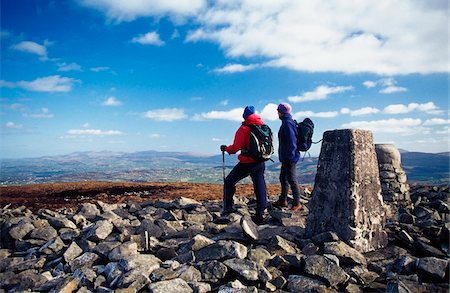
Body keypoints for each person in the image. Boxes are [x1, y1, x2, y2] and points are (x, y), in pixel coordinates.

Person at [220, 106, 268, 224]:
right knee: (259, 185)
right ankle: (261, 212)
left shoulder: (244, 128)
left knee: (229, 181)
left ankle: (228, 208)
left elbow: (236, 147)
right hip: (260, 161)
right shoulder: (262, 127)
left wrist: (226, 149)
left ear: (245, 115)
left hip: (247, 162)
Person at [272, 102, 302, 211]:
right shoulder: (287, 122)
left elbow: (292, 141)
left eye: (278, 111)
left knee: (291, 179)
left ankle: (297, 203)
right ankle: (283, 200)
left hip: (289, 157)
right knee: (283, 178)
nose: (277, 113)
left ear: (281, 112)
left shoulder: (287, 123)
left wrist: (290, 156)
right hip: (287, 157)